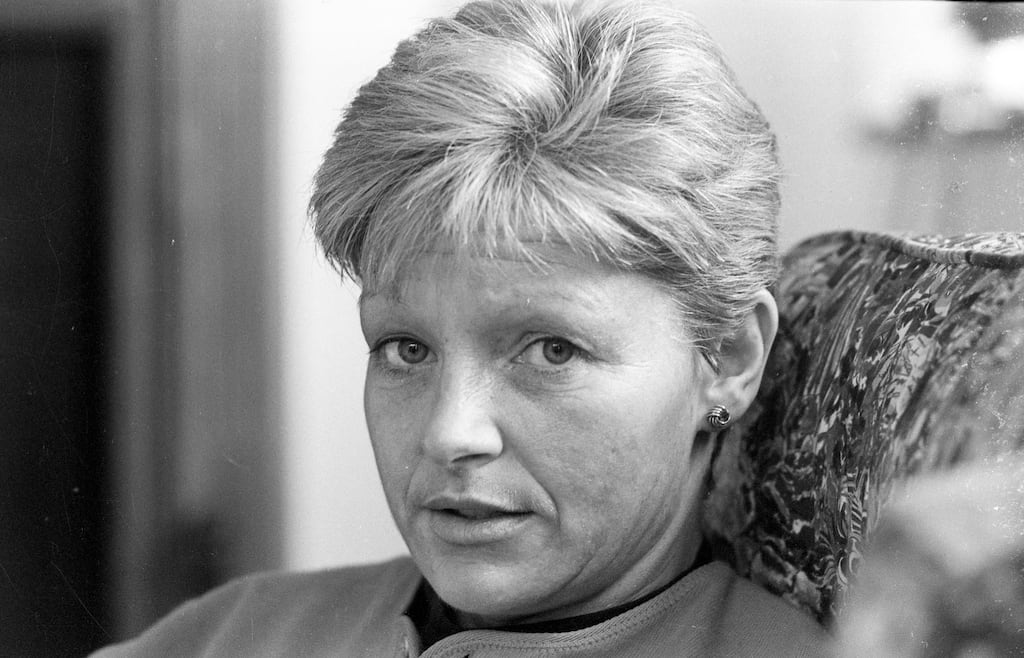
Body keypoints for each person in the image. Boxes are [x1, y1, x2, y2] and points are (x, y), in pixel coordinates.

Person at [94, 0, 831, 655]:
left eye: (551, 350)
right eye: (405, 349)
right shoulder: (237, 632)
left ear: (727, 356)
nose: (450, 434)